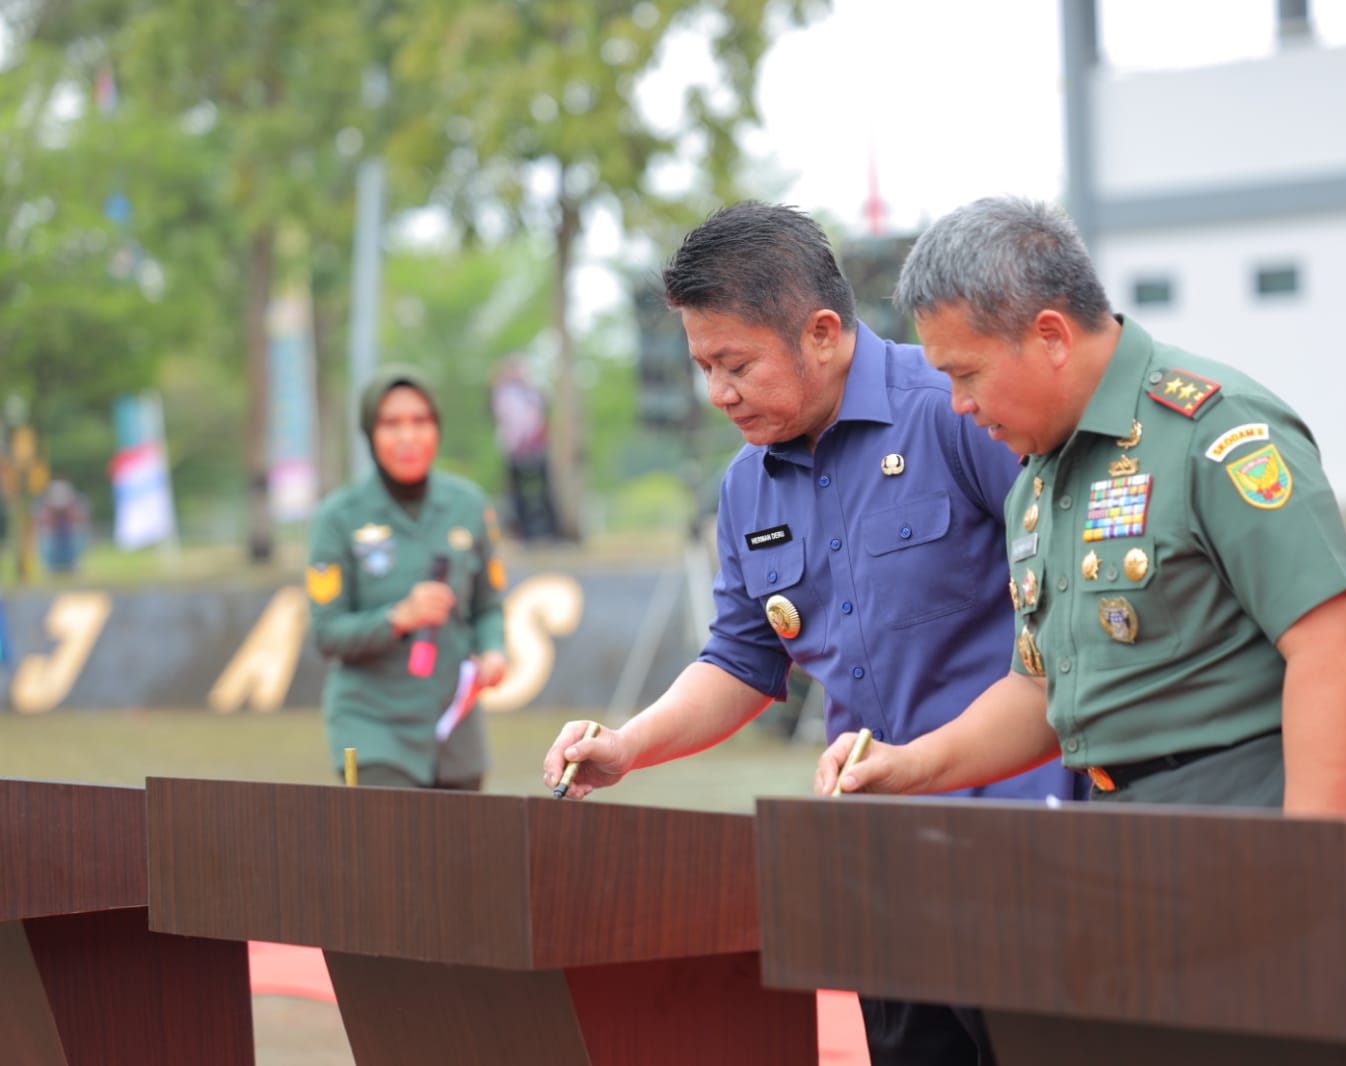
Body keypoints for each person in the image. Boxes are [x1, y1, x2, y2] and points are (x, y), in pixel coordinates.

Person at [541, 201, 1085, 1066]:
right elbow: (740, 659)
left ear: (823, 333)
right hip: (876, 858)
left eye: (737, 364)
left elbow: (1066, 620)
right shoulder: (744, 489)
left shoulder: (960, 413)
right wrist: (628, 745)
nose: (718, 393)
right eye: (702, 367)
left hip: (1019, 843)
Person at [817, 196, 1346, 817]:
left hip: (1256, 807)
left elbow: (1331, 642)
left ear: (1050, 337)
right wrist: (906, 765)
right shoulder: (1037, 481)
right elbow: (1040, 690)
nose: (958, 403)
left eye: (968, 374)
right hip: (1128, 821)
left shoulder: (1212, 431)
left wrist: (1308, 853)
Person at [307, 366, 509, 790]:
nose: (408, 437)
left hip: (456, 727)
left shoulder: (468, 505)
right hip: (373, 728)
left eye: (420, 421)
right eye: (391, 424)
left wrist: (493, 650)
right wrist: (398, 617)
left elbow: (488, 607)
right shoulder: (337, 517)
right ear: (369, 433)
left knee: (465, 855)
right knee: (390, 853)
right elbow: (327, 634)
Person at [490, 358, 559, 541]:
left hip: (536, 448)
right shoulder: (503, 394)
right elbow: (509, 420)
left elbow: (541, 410)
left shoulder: (531, 392)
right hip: (515, 449)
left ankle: (550, 530)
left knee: (545, 490)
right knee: (517, 493)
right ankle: (523, 532)